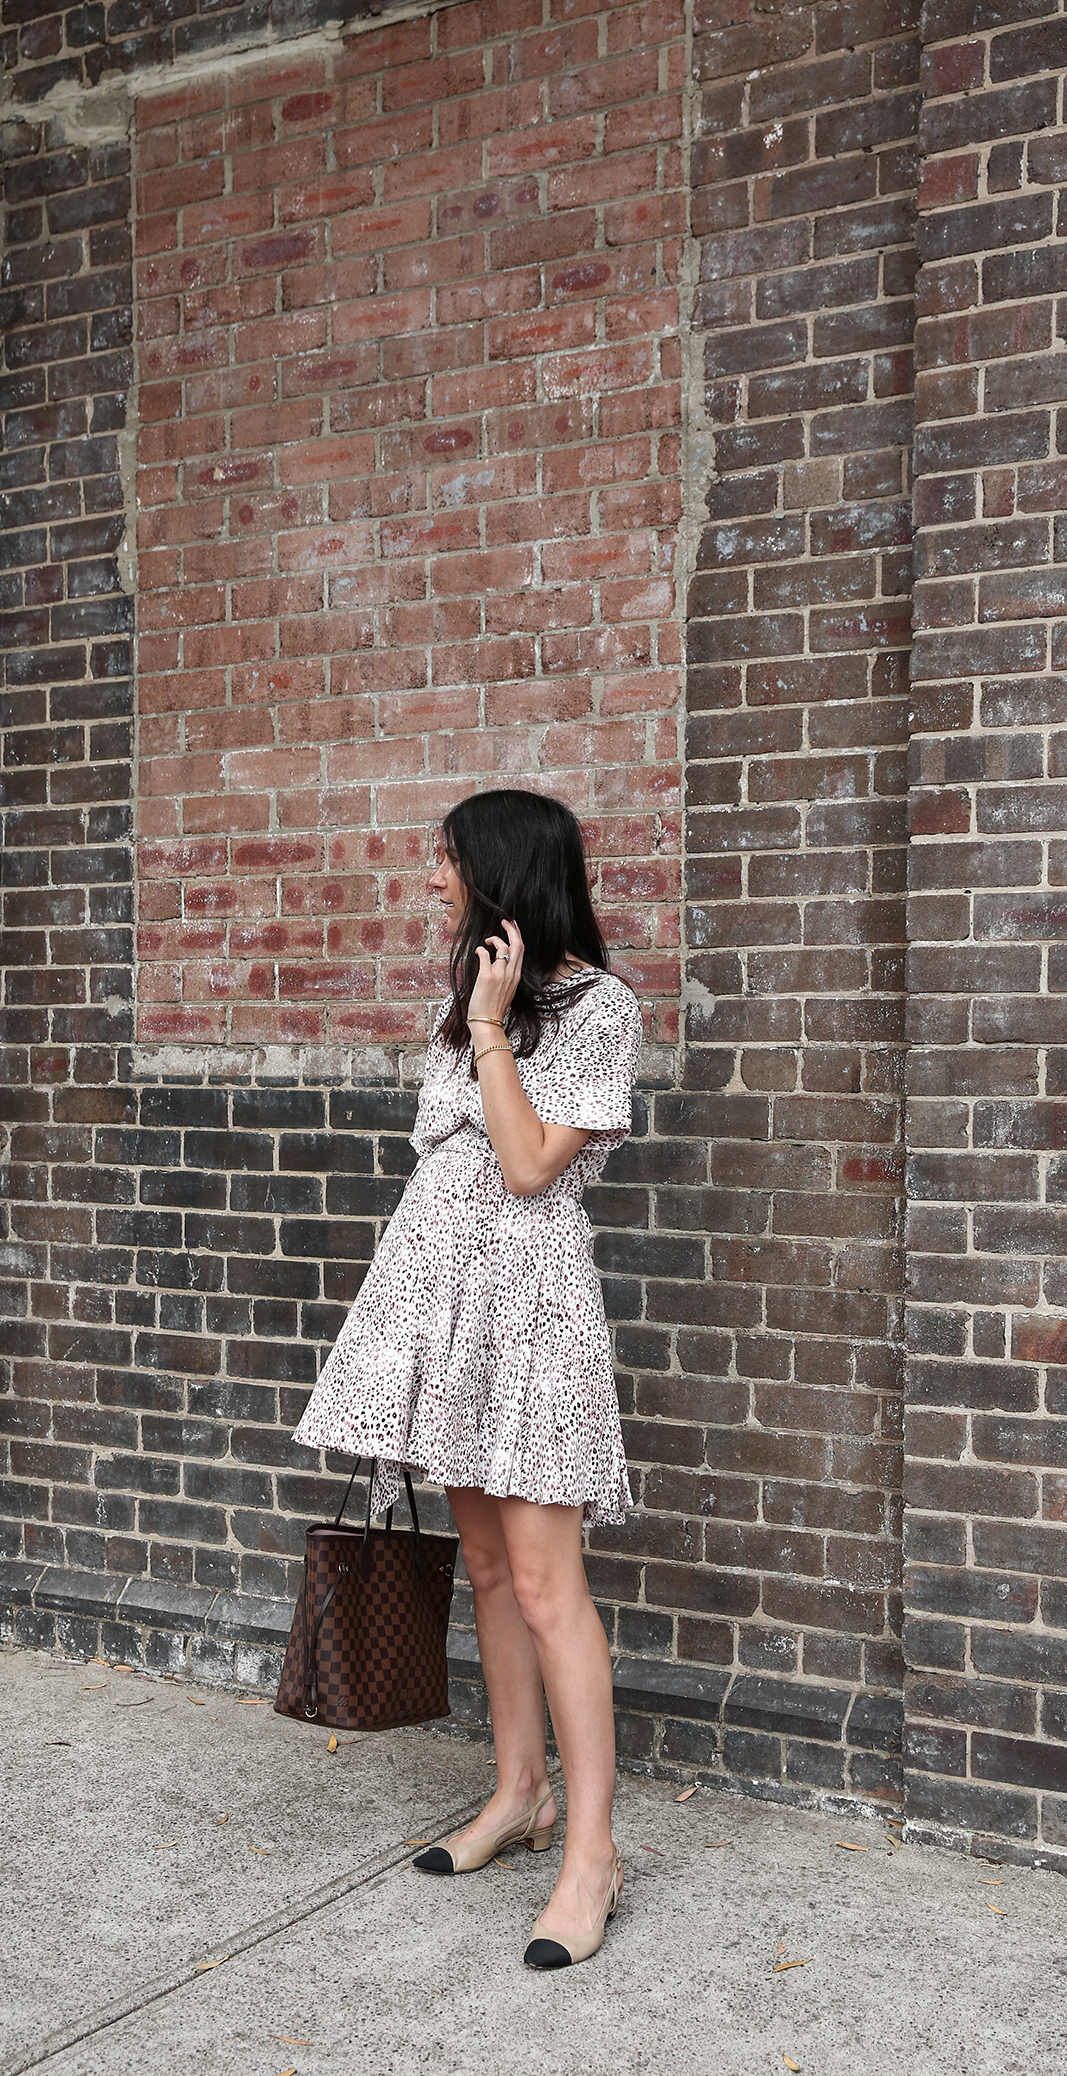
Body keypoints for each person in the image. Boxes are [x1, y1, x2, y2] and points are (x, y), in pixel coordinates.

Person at [294, 787, 643, 1970]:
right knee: (486, 1566)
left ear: (499, 871)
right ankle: (517, 1794)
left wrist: (494, 1025)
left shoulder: (599, 1008)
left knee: (551, 1588)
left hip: (532, 1319)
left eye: (446, 863)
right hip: (446, 1314)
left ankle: (592, 1853)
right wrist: (481, 1013)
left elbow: (531, 1165)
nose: (432, 881)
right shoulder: (467, 1001)